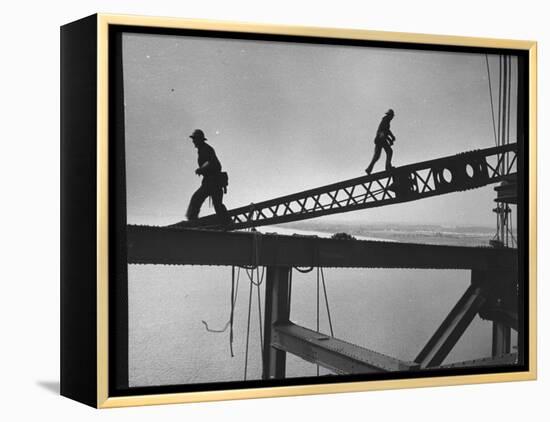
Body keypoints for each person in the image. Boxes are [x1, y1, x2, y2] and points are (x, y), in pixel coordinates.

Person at [186, 129, 231, 226]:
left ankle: (192, 220)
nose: (193, 141)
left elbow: (214, 164)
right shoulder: (202, 150)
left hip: (213, 182)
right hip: (210, 181)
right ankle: (227, 222)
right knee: (217, 205)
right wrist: (202, 169)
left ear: (199, 140)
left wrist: (202, 169)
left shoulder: (206, 149)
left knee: (197, 199)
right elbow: (209, 163)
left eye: (194, 139)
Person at [365, 109, 396, 174]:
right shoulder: (386, 120)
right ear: (390, 115)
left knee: (377, 156)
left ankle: (369, 168)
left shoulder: (385, 120)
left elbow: (386, 131)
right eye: (392, 116)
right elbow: (385, 131)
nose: (392, 118)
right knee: (389, 151)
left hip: (379, 139)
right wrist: (390, 138)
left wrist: (391, 138)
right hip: (381, 139)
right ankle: (388, 167)